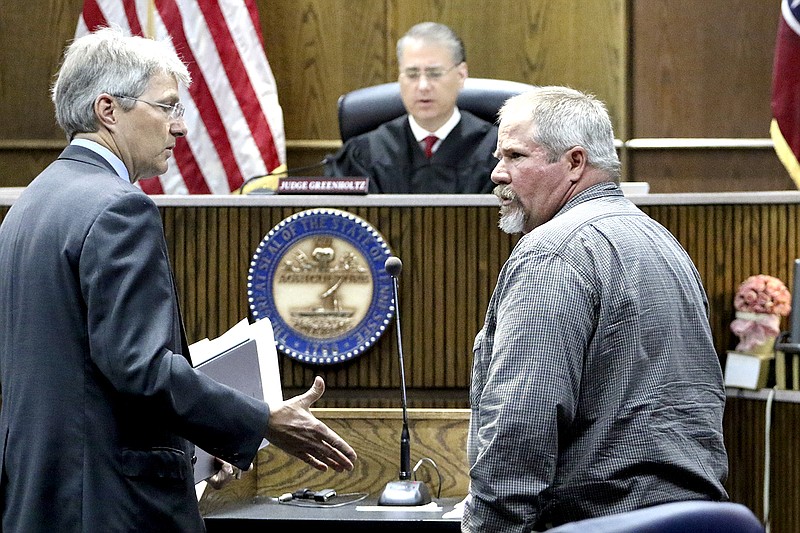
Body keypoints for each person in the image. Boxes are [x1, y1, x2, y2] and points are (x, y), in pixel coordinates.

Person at [0, 27, 356, 532]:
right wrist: (261, 420)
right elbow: (137, 367)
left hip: (40, 495)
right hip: (109, 504)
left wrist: (202, 438)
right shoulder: (119, 208)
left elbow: (76, 371)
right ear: (109, 110)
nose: (181, 128)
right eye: (167, 107)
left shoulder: (29, 204)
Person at [463, 86, 728, 532]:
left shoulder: (551, 254)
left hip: (600, 522)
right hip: (690, 518)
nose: (497, 174)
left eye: (514, 156)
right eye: (498, 158)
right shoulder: (663, 242)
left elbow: (522, 424)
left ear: (574, 162)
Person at [325, 22, 498, 193]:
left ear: (461, 75)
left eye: (434, 73)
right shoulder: (365, 153)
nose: (423, 86)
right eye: (412, 74)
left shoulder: (496, 151)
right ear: (400, 78)